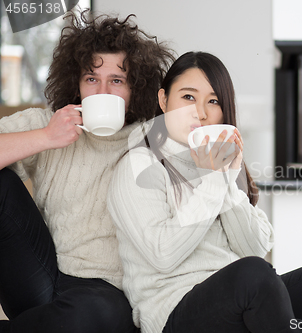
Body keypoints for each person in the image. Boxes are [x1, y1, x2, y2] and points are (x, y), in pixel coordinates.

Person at [107, 51, 302, 333]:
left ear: (224, 111)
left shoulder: (219, 165)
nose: (200, 113)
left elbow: (256, 247)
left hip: (244, 299)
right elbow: (163, 255)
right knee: (253, 274)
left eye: (213, 101)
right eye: (188, 97)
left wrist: (223, 178)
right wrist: (214, 180)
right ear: (164, 100)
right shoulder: (139, 166)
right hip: (177, 313)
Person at [0, 9, 174, 333]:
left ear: (136, 88)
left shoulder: (153, 137)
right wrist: (46, 137)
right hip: (42, 276)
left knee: (100, 310)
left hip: (106, 295)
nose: (103, 92)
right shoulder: (52, 123)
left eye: (117, 81)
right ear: (77, 83)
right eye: (92, 79)